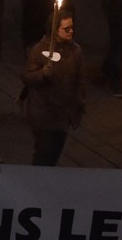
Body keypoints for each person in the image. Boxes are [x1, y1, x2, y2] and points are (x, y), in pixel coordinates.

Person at [21, 9, 86, 166]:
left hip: (63, 114)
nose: (71, 31)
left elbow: (81, 80)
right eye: (66, 29)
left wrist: (80, 104)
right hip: (43, 113)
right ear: (54, 30)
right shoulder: (38, 50)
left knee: (55, 153)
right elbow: (27, 77)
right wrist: (43, 73)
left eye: (72, 27)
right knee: (43, 154)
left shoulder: (75, 50)